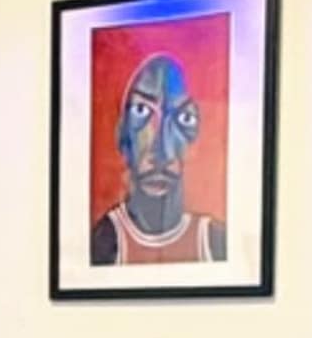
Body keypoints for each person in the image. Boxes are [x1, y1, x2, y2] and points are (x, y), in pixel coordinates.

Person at [90, 45, 223, 267]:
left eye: (183, 118)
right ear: (122, 135)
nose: (162, 150)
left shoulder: (214, 241)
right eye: (141, 111)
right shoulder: (104, 242)